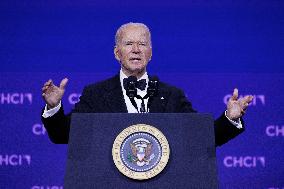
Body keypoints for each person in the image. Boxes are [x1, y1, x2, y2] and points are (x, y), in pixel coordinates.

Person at [41, 22, 253, 145]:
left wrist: (229, 119)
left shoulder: (171, 95)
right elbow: (62, 135)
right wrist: (53, 107)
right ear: (117, 53)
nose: (135, 49)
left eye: (142, 44)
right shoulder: (96, 94)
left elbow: (201, 138)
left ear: (150, 54)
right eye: (128, 44)